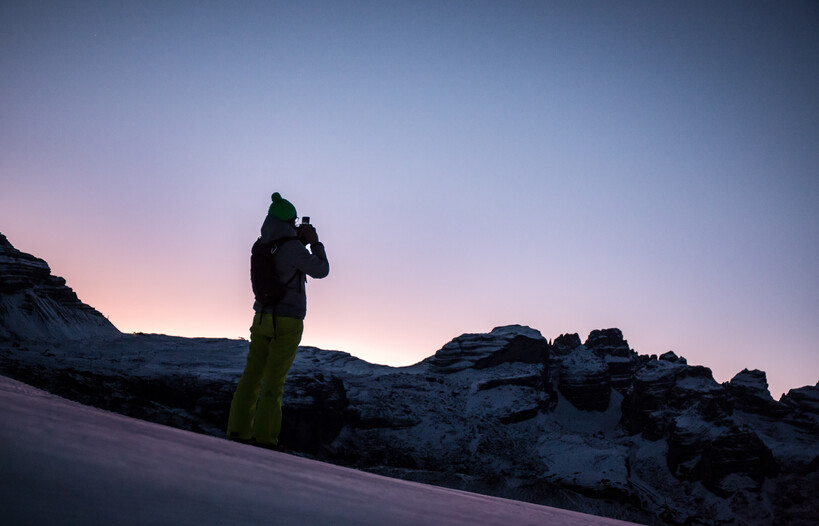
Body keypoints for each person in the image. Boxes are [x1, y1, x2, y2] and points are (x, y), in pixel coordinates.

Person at [227, 192, 329, 449]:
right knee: (274, 381)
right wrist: (314, 242)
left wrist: (297, 242)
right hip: (288, 321)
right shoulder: (293, 247)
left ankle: (238, 430)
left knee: (251, 376)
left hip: (261, 317)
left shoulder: (261, 244)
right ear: (289, 221)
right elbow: (321, 270)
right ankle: (265, 438)